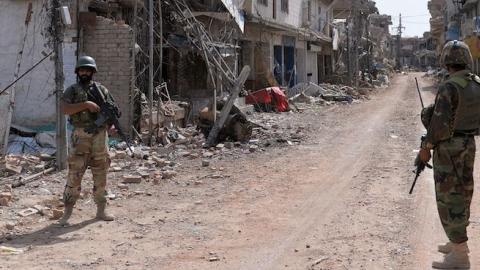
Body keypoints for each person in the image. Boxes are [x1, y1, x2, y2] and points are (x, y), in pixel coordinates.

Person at [419, 40, 480, 269]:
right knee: (462, 194)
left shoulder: (449, 86)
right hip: (468, 145)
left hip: (449, 148)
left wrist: (426, 147)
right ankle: (455, 243)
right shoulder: (475, 83)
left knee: (449, 198)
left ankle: (460, 254)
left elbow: (439, 126)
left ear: (446, 61)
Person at [58, 56, 115, 226]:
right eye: (82, 70)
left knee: (101, 171)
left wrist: (112, 125)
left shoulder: (102, 90)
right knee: (75, 173)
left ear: (92, 72)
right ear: (78, 72)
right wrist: (86, 104)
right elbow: (65, 109)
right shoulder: (72, 91)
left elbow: (111, 109)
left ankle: (101, 210)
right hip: (81, 135)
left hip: (100, 136)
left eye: (88, 70)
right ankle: (67, 212)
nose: (85, 73)